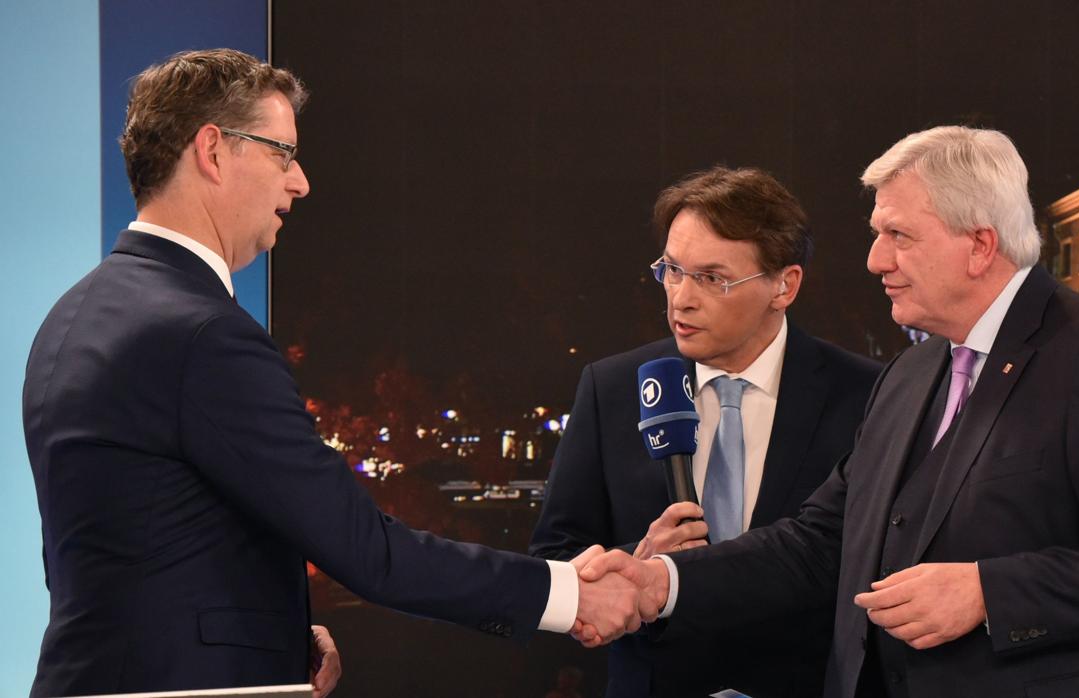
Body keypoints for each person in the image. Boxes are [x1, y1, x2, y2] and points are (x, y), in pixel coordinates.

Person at [22, 48, 634, 698]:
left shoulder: (70, 318)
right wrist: (569, 593)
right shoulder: (202, 335)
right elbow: (365, 549)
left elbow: (118, 554)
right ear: (213, 150)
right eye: (283, 154)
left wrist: (276, 634)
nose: (301, 182)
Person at [578, 126, 1079, 697]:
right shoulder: (910, 372)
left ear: (979, 245)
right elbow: (819, 541)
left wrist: (987, 593)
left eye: (898, 236)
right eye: (877, 234)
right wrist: (663, 581)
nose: (875, 260)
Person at [531, 166, 880, 697]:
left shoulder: (866, 395)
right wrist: (641, 561)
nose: (681, 298)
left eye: (712, 278)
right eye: (672, 270)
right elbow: (552, 559)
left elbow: (870, 562)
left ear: (784, 286)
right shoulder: (612, 387)